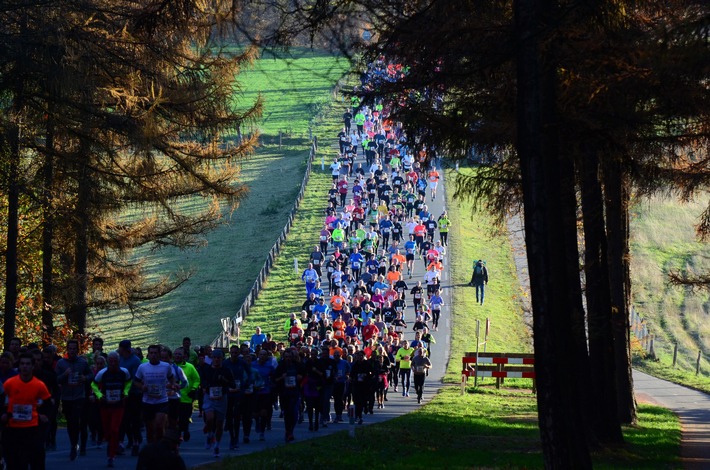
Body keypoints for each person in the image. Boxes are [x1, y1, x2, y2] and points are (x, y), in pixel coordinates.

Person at [2, 352, 52, 470]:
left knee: (36, 459)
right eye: (22, 364)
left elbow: (48, 403)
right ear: (19, 366)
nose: (25, 367)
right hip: (13, 428)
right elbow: (2, 401)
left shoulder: (39, 385)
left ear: (32, 366)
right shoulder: (10, 383)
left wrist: (44, 415)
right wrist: (4, 414)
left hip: (32, 428)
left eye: (28, 364)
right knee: (15, 462)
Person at [55, 339, 93, 460]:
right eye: (70, 348)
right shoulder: (61, 363)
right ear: (67, 349)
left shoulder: (82, 362)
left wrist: (85, 378)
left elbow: (91, 375)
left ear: (77, 350)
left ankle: (76, 447)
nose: (72, 351)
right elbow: (56, 379)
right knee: (71, 423)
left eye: (74, 349)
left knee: (77, 421)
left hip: (79, 396)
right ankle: (73, 443)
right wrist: (64, 375)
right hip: (66, 397)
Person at [92, 351, 131, 467]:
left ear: (119, 362)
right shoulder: (102, 373)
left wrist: (125, 392)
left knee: (114, 429)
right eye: (111, 361)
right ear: (108, 362)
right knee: (107, 431)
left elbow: (129, 382)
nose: (113, 363)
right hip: (105, 405)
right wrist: (99, 396)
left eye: (115, 361)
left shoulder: (124, 372)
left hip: (118, 406)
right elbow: (93, 385)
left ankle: (111, 455)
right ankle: (111, 442)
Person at [133, 344, 176, 445]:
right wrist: (141, 387)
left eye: (155, 353)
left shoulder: (166, 366)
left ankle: (161, 447)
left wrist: (173, 385)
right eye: (151, 353)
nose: (153, 355)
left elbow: (171, 378)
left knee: (159, 426)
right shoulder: (143, 367)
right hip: (147, 401)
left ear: (159, 354)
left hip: (162, 401)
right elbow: (135, 381)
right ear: (148, 354)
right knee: (150, 430)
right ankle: (151, 449)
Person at [201, 349, 235, 458]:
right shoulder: (206, 369)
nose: (216, 360)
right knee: (210, 418)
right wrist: (205, 386)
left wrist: (224, 380)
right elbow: (202, 381)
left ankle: (216, 446)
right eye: (214, 357)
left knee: (220, 424)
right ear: (212, 358)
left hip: (221, 398)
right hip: (209, 397)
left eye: (218, 358)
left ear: (222, 359)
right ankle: (210, 435)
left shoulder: (226, 370)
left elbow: (233, 384)